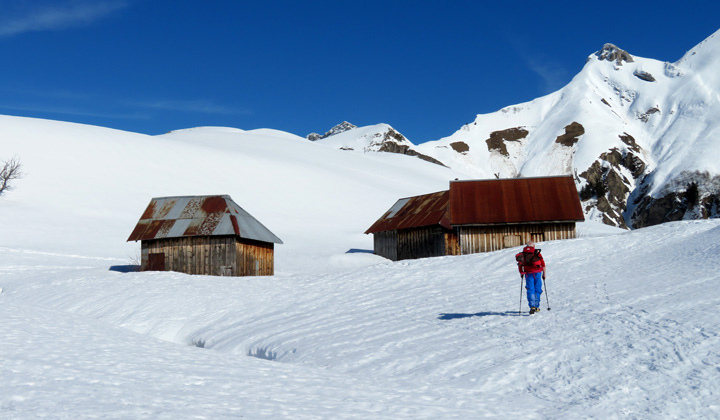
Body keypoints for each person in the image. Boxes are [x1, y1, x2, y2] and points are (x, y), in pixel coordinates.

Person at [515, 241, 546, 314]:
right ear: (533, 246)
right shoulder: (537, 253)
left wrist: (521, 273)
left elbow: (520, 265)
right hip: (537, 273)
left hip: (528, 274)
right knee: (537, 289)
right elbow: (543, 264)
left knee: (530, 289)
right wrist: (544, 274)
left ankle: (532, 306)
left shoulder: (523, 254)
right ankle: (537, 306)